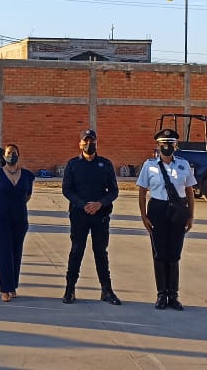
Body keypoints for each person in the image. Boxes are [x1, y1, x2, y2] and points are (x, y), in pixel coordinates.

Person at [137, 128, 197, 311]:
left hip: (178, 211)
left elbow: (189, 191)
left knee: (174, 254)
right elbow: (142, 192)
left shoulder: (184, 165)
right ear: (157, 145)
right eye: (163, 144)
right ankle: (161, 294)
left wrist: (191, 215)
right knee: (160, 253)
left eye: (170, 144)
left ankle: (174, 295)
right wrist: (144, 216)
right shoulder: (149, 166)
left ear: (176, 146)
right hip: (157, 210)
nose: (167, 147)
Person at [61, 129, 121, 305]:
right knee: (76, 251)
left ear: (96, 143)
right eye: (85, 141)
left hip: (100, 215)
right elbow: (67, 189)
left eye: (91, 141)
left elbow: (114, 191)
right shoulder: (73, 164)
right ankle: (70, 289)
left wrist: (100, 203)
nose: (88, 144)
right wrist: (83, 204)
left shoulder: (105, 164)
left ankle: (106, 290)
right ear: (80, 144)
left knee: (101, 252)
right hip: (79, 215)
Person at [0, 143, 33, 302]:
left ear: (18, 155)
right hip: (2, 218)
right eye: (8, 152)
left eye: (14, 152)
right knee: (5, 252)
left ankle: (13, 285)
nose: (11, 155)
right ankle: (5, 289)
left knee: (16, 252)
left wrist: (17, 205)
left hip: (20, 217)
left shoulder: (27, 175)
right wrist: (1, 207)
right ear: (4, 155)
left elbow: (28, 195)